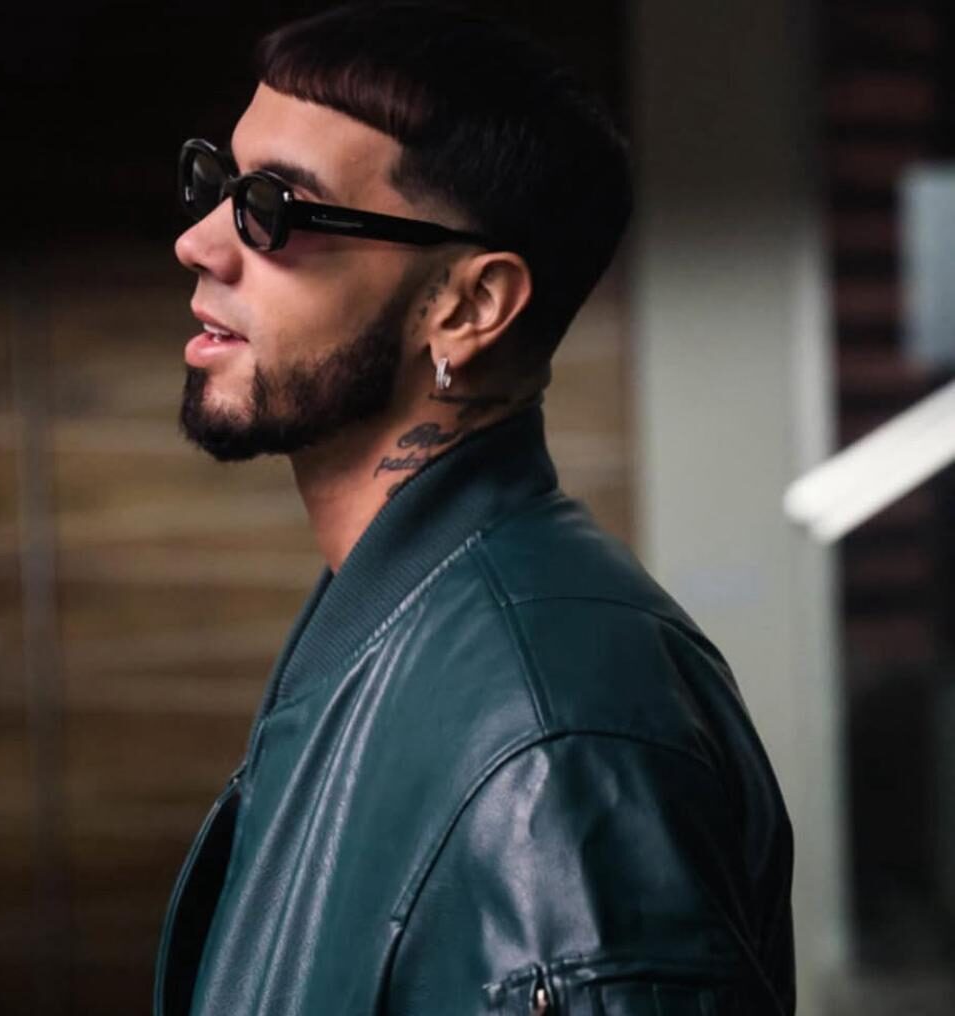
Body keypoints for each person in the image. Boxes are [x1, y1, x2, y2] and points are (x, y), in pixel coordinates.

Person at [155, 3, 795, 1014]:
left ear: (469, 306)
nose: (198, 242)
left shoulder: (553, 732)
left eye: (274, 207)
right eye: (219, 185)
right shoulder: (394, 617)